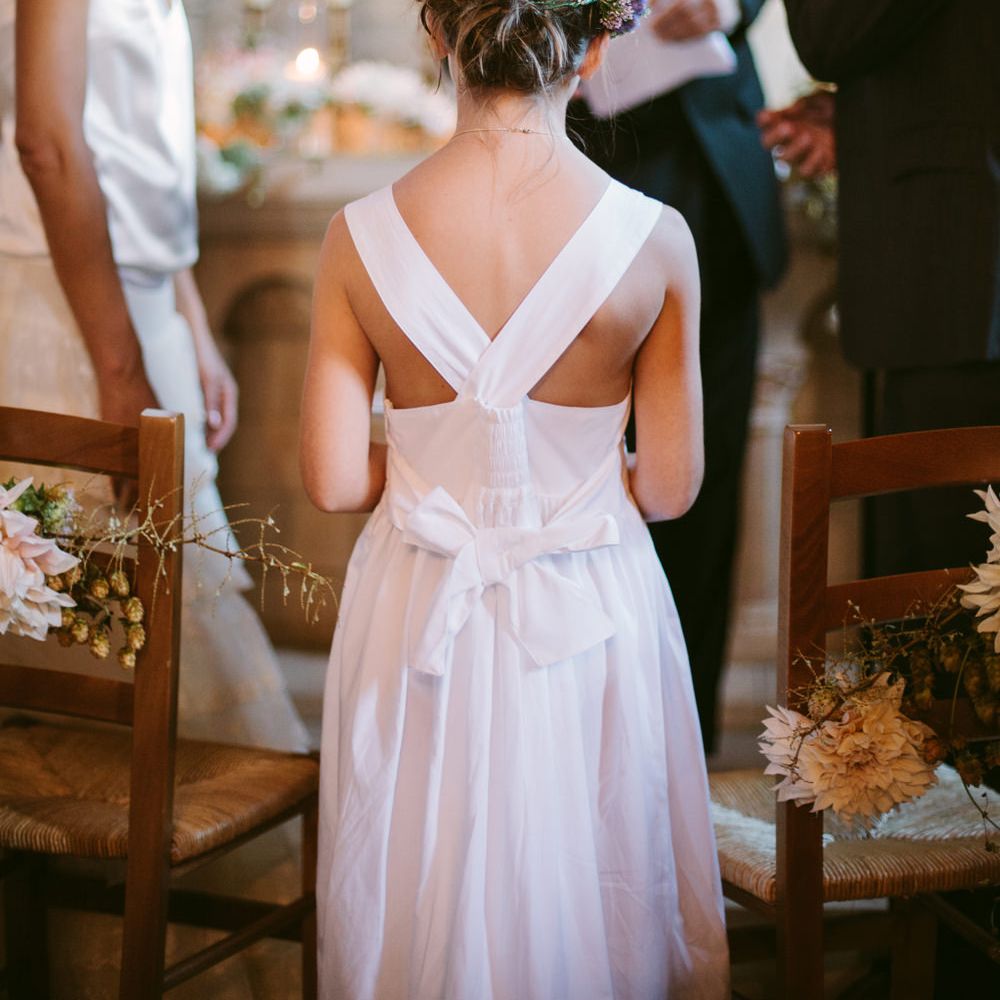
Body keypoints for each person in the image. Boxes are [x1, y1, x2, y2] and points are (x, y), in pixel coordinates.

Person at [301, 1, 729, 996]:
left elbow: (330, 480)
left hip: (418, 608)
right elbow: (668, 486)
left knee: (412, 868)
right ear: (590, 48)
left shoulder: (355, 238)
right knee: (598, 871)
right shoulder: (656, 239)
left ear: (441, 39)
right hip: (593, 604)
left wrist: (428, 468)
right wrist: (562, 493)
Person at [0, 0, 308, 994]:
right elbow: (48, 141)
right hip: (60, 298)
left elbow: (143, 152)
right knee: (113, 642)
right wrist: (121, 362)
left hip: (132, 291)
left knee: (166, 620)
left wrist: (186, 318)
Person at [569, 0, 787, 752]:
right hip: (582, 155)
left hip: (713, 171)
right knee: (580, 476)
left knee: (705, 473)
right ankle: (590, 745)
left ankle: (683, 741)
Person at [759, 0, 1000, 576]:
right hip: (955, 255)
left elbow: (830, 32)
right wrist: (871, 112)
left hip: (954, 272)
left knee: (944, 588)